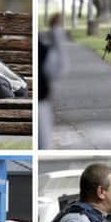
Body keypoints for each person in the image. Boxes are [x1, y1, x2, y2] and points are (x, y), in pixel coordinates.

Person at [38, 13, 69, 149]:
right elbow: (60, 70)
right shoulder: (43, 51)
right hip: (40, 106)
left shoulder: (42, 51)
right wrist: (57, 35)